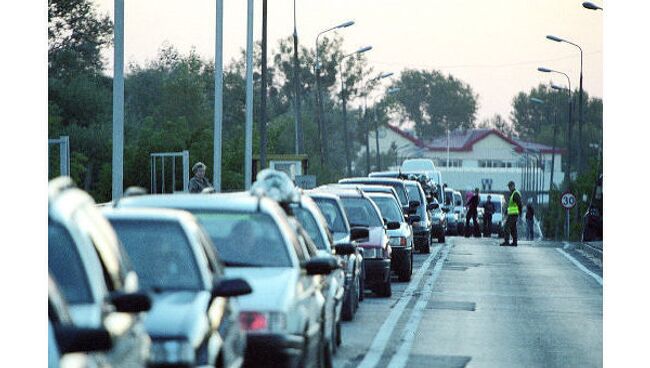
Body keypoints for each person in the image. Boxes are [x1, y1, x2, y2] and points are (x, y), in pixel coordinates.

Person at [501, 181, 522, 247]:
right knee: (513, 228)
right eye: (508, 186)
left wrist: (520, 212)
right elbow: (511, 205)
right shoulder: (513, 193)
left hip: (513, 214)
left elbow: (519, 204)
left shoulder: (515, 194)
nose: (509, 188)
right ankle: (514, 242)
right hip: (512, 214)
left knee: (507, 227)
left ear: (513, 186)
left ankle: (507, 241)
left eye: (510, 186)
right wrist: (507, 211)